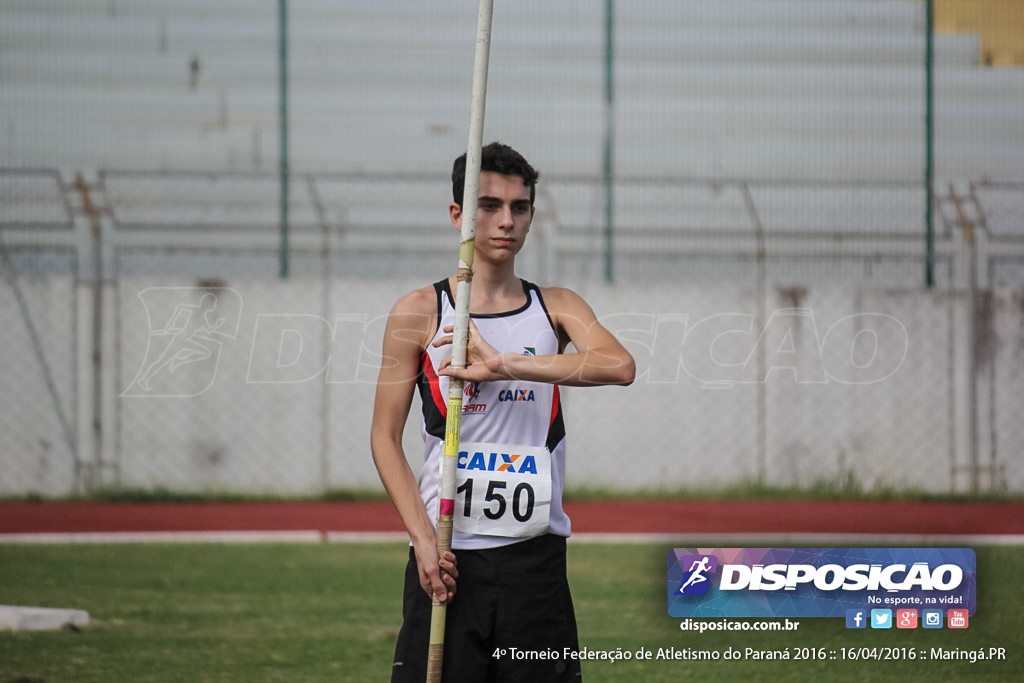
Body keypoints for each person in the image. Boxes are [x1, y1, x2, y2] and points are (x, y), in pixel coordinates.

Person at [371, 141, 635, 682]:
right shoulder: (420, 312)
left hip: (534, 563)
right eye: (488, 205)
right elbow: (383, 436)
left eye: (519, 207)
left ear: (532, 217)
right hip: (447, 556)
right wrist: (422, 540)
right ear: (458, 215)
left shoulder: (555, 306)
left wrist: (507, 365)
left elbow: (618, 365)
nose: (505, 220)